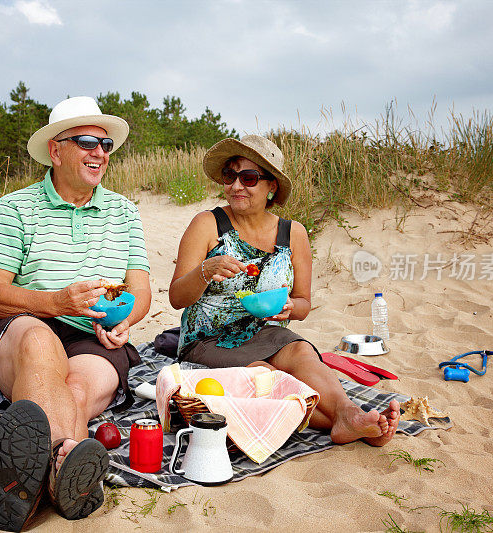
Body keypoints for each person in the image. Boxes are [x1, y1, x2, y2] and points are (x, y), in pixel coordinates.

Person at [0, 96, 151, 530]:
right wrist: (55, 302)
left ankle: (41, 478)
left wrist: (125, 322)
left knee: (74, 388)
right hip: (25, 326)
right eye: (87, 142)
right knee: (39, 343)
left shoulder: (125, 212)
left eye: (106, 146)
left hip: (94, 335)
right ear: (55, 150)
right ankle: (65, 468)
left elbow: (141, 289)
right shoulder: (16, 207)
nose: (100, 153)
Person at [168, 134, 400, 447]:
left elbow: (303, 303)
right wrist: (205, 271)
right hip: (207, 338)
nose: (236, 186)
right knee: (264, 376)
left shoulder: (294, 234)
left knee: (302, 351)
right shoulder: (207, 224)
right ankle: (348, 424)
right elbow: (176, 298)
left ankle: (348, 412)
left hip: (265, 333)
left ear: (271, 186)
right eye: (230, 176)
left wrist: (290, 306)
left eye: (249, 178)